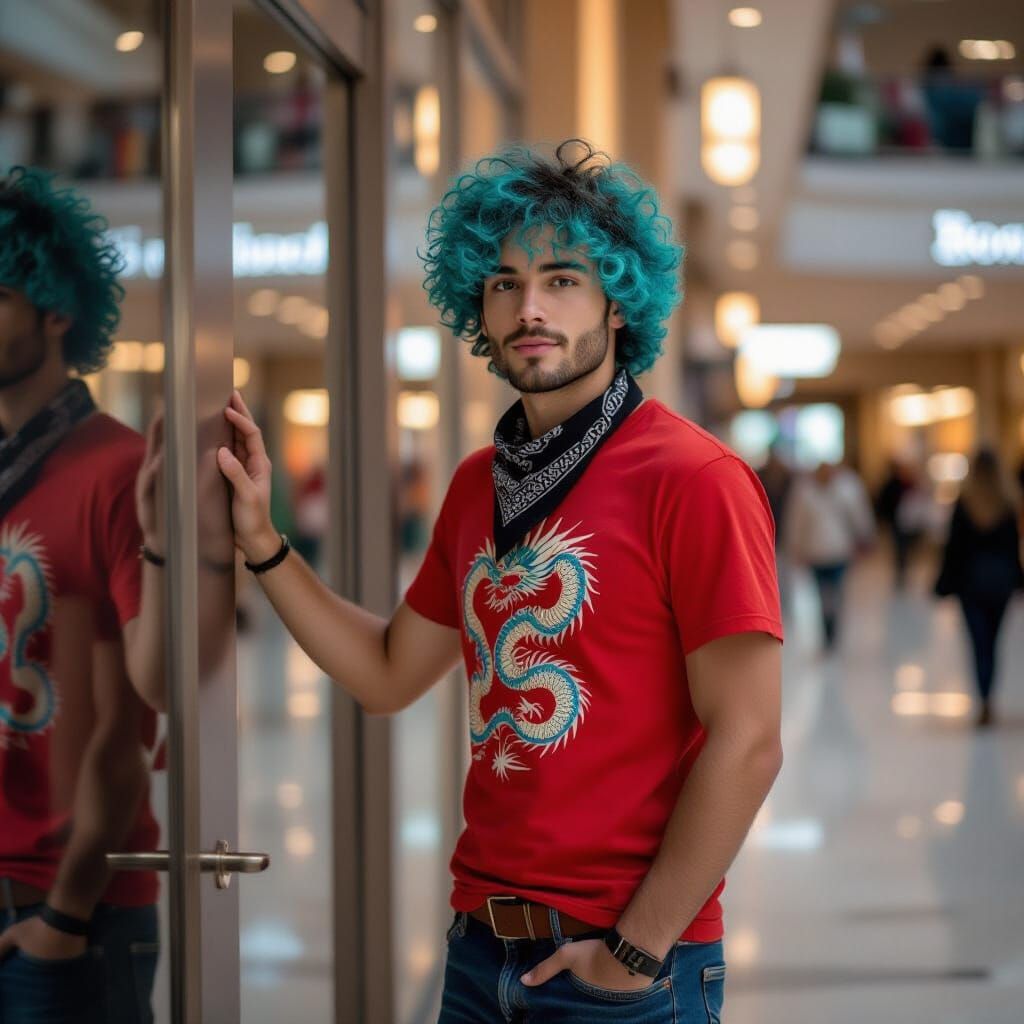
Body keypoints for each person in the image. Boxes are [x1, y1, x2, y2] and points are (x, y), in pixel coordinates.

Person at [217, 140, 784, 1022]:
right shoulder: (479, 480)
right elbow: (387, 673)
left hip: (624, 963)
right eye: (503, 284)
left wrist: (635, 950)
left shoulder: (695, 478)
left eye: (562, 279)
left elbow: (747, 740)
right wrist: (261, 541)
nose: (530, 307)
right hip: (478, 950)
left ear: (617, 299)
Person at [0, 166, 163, 1023]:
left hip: (74, 903)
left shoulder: (116, 469)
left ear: (55, 310)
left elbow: (130, 713)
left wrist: (65, 912)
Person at [934, 449, 1022, 728]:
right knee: (993, 642)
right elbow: (1012, 550)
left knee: (978, 643)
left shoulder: (965, 503)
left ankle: (983, 696)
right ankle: (988, 696)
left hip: (970, 583)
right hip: (1000, 583)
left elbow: (953, 549)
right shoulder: (1008, 503)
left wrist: (944, 581)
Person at [786, 461, 874, 652]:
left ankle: (833, 629)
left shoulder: (847, 490)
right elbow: (796, 523)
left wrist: (865, 539)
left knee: (836, 592)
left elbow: (859, 517)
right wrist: (796, 548)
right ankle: (827, 629)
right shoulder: (805, 493)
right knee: (822, 594)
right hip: (816, 553)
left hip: (839, 552)